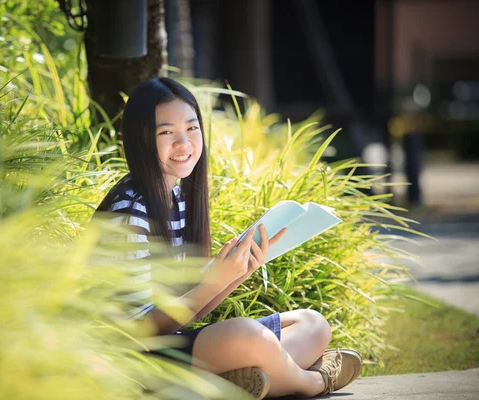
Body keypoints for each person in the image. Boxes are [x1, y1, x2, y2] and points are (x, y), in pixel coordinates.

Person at [95, 77, 362, 399]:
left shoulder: (175, 197)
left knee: (312, 324)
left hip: (173, 347)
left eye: (192, 129)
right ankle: (314, 381)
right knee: (247, 335)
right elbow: (137, 332)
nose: (184, 143)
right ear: (140, 139)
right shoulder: (130, 212)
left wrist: (237, 274)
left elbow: (186, 313)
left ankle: (238, 381)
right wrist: (214, 281)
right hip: (137, 363)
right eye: (166, 132)